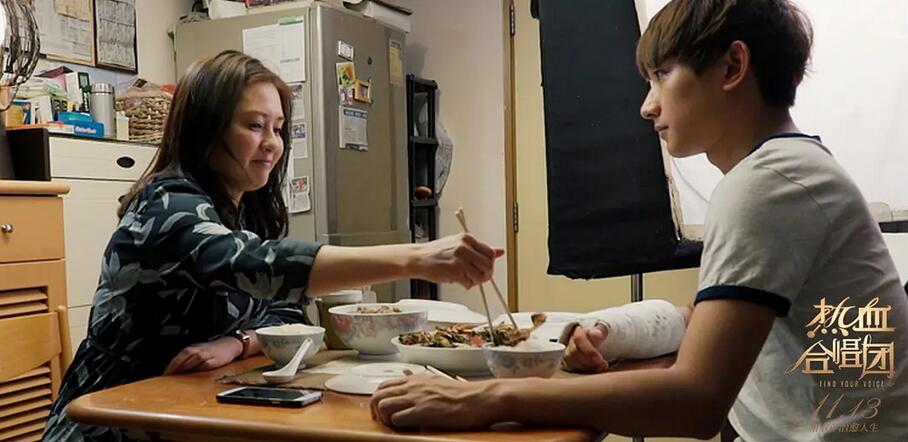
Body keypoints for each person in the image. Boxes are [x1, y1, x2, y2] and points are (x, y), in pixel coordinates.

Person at [370, 1, 908, 440]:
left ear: (732, 67)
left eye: (662, 75)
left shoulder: (768, 185)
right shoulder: (793, 170)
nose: (647, 106)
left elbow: (694, 402)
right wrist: (614, 331)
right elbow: (708, 319)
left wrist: (485, 398)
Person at [44, 50, 503, 441]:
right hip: (112, 420)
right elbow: (258, 267)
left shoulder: (241, 210)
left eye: (278, 128)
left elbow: (284, 310)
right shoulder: (167, 206)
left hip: (195, 413)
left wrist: (236, 343)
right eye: (254, 126)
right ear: (206, 130)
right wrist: (418, 256)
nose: (272, 144)